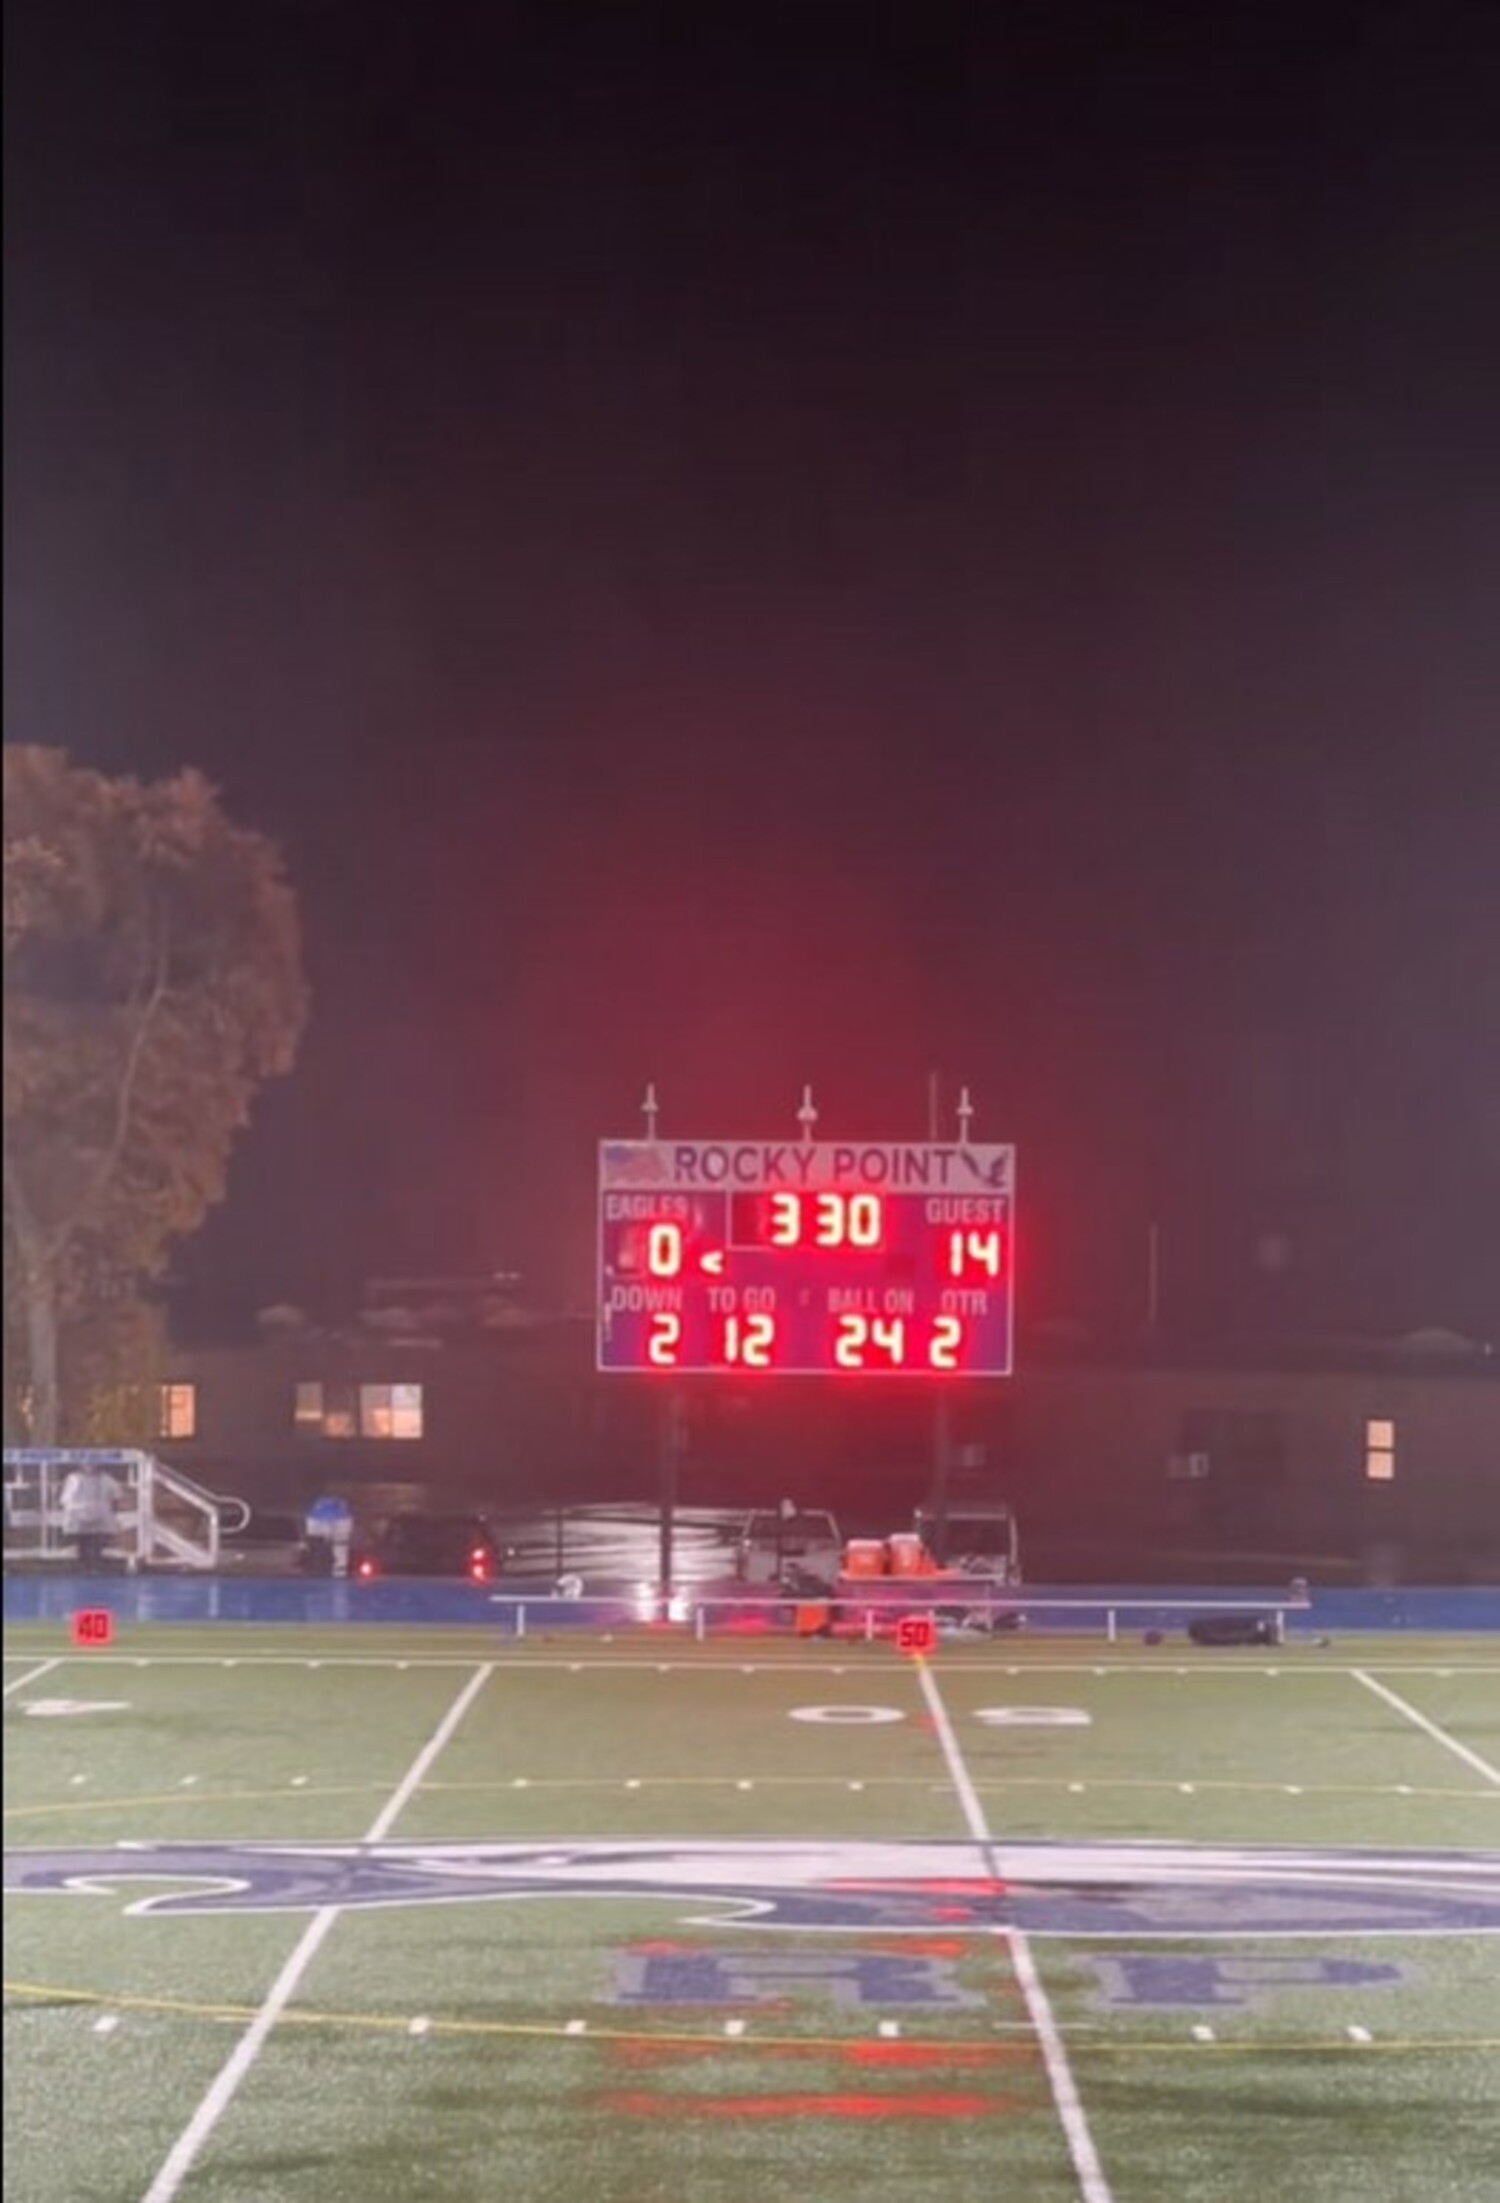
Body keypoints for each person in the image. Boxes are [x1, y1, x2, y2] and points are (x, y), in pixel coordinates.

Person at [58, 1461, 121, 1570]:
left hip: (99, 1515)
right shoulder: (74, 1478)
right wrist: (73, 1509)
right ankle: (83, 1565)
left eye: (92, 1464)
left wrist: (111, 1509)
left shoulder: (105, 1479)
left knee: (97, 1540)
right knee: (83, 1540)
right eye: (86, 1464)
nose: (90, 1467)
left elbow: (116, 1494)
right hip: (79, 1515)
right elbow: (66, 1498)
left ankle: (96, 1564)